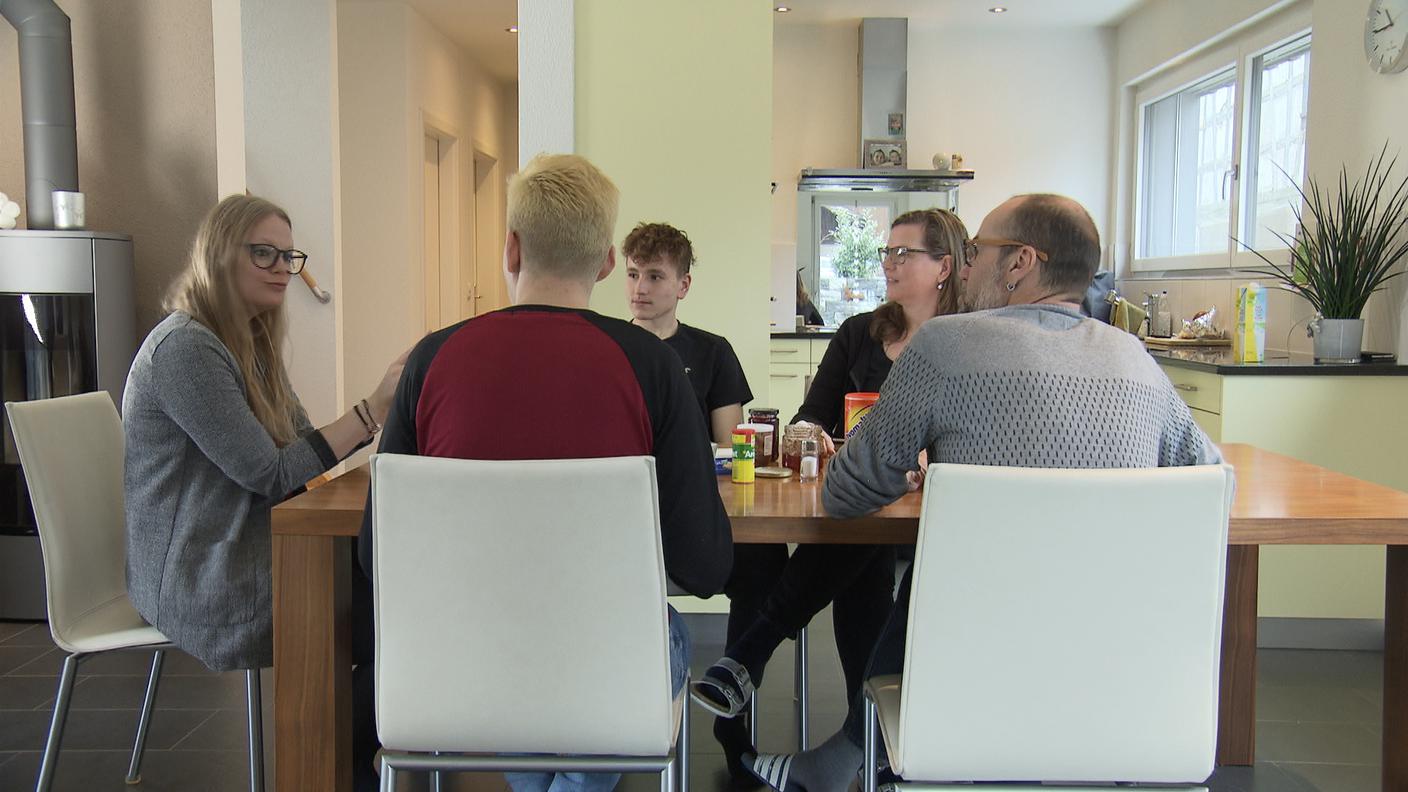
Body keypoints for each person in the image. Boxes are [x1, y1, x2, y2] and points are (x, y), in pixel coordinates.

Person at [744, 194, 1223, 792]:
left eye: (976, 252)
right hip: (1112, 680)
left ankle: (858, 753)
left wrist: (908, 465)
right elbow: (1208, 480)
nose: (966, 267)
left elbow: (844, 494)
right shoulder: (1136, 359)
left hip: (969, 670)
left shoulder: (944, 344)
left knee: (929, 577)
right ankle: (853, 751)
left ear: (1021, 262)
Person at [354, 154, 733, 792]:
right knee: (656, 632)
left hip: (463, 671)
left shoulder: (431, 361)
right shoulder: (652, 367)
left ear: (511, 248)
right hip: (605, 671)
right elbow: (705, 568)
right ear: (609, 263)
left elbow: (376, 554)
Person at [693, 208, 968, 785]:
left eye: (904, 254)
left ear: (944, 266)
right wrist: (812, 435)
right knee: (861, 546)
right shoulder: (860, 333)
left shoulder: (968, 341)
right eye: (885, 253)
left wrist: (922, 461)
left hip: (950, 514)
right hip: (869, 499)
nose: (889, 264)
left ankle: (754, 655)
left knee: (857, 539)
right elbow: (809, 417)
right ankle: (868, 741)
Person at [123, 194, 405, 674]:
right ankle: (351, 746)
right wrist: (373, 408)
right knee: (387, 613)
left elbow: (299, 444)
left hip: (235, 549)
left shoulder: (248, 340)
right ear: (220, 255)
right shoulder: (186, 350)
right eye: (264, 253)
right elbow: (272, 474)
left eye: (289, 257)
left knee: (385, 592)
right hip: (202, 579)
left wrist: (371, 413)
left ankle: (365, 744)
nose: (281, 269)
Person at [624, 221, 752, 445]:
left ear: (683, 285)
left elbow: (729, 452)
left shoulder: (714, 353)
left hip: (693, 477)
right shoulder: (610, 348)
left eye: (654, 277)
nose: (639, 289)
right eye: (633, 275)